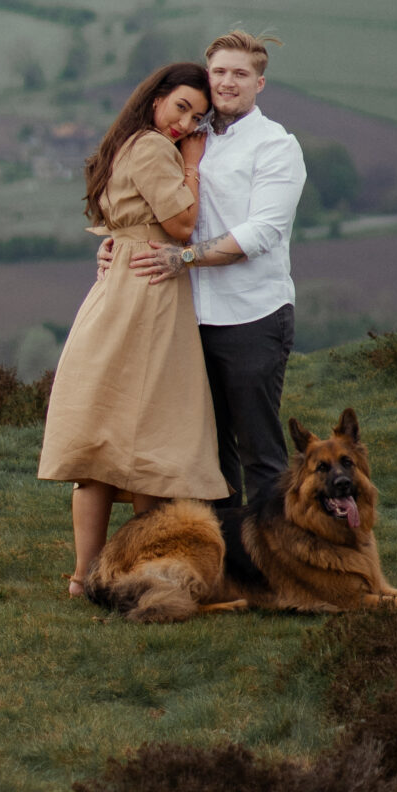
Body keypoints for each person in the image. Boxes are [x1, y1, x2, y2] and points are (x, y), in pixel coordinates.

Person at [38, 61, 222, 597]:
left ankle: (83, 579)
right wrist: (192, 163)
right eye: (181, 107)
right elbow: (181, 225)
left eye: (197, 118)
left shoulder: (127, 142)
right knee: (152, 443)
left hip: (116, 294)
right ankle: (132, 570)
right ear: (156, 96)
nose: (185, 124)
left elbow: (124, 222)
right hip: (148, 299)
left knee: (104, 445)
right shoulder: (153, 147)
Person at [127, 29, 306, 509]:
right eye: (220, 72)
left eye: (240, 74)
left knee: (260, 454)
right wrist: (113, 247)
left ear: (259, 84)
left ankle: (273, 567)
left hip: (251, 316)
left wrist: (183, 258)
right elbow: (147, 207)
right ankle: (226, 568)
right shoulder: (189, 138)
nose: (228, 83)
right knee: (207, 457)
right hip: (188, 319)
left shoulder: (275, 146)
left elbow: (262, 232)